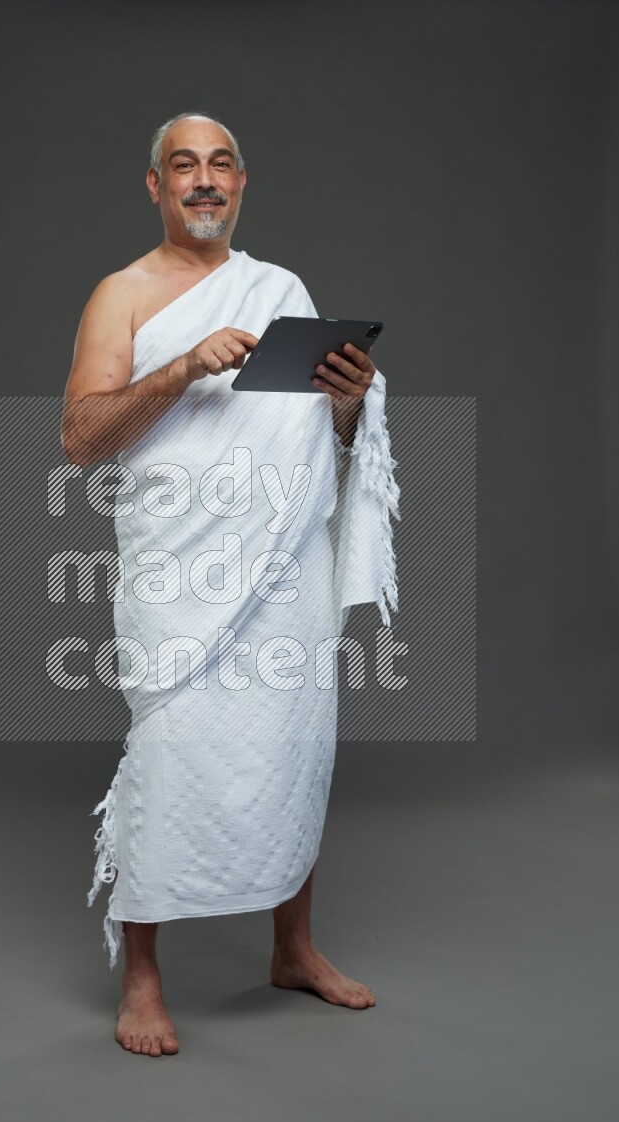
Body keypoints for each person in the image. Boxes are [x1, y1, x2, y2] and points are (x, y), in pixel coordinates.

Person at [61, 111, 400, 1057]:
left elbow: (312, 449)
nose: (203, 180)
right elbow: (81, 439)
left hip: (281, 566)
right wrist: (179, 368)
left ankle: (292, 949)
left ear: (241, 184)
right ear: (155, 185)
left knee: (292, 746)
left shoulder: (282, 288)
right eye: (184, 165)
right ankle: (142, 974)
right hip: (181, 573)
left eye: (220, 166)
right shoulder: (121, 295)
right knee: (168, 757)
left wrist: (345, 408)